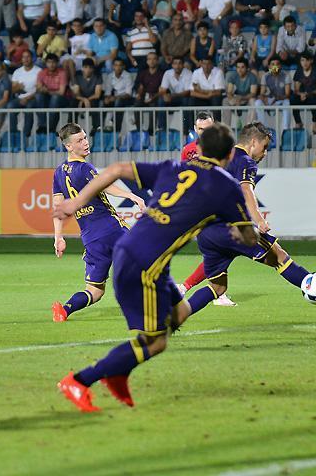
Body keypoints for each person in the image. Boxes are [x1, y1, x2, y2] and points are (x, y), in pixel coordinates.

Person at [54, 123, 256, 412]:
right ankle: (80, 380)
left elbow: (116, 169)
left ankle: (119, 373)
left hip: (142, 256)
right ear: (229, 156)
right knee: (155, 342)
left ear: (199, 148)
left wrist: (76, 202)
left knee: (180, 312)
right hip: (142, 264)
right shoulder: (225, 186)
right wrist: (240, 232)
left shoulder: (173, 167)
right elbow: (248, 237)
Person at [183, 122, 316, 314]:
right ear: (254, 142)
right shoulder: (245, 161)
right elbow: (246, 189)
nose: (265, 153)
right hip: (231, 229)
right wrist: (259, 220)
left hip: (207, 233)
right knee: (280, 257)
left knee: (218, 287)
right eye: (264, 147)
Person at [51, 123, 146, 322]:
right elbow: (104, 186)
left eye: (85, 137)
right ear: (69, 146)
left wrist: (58, 237)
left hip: (91, 239)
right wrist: (130, 195)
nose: (86, 143)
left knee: (95, 290)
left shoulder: (58, 173)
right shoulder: (84, 168)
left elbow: (58, 208)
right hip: (112, 229)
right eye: (79, 140)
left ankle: (65, 310)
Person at [291, 52, 316, 134]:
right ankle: (298, 122)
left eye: (307, 60)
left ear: (311, 61)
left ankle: (315, 122)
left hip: (313, 95)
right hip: (302, 96)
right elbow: (296, 89)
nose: (305, 63)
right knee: (293, 99)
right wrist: (301, 94)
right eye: (302, 60)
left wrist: (307, 93)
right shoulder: (299, 71)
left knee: (314, 99)